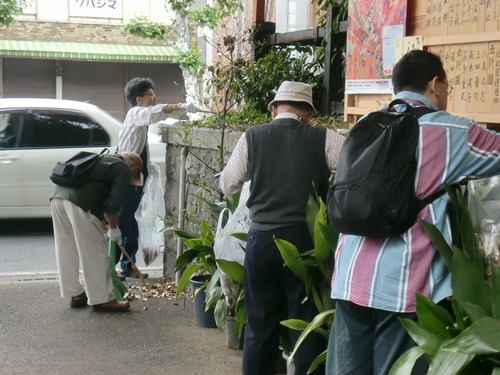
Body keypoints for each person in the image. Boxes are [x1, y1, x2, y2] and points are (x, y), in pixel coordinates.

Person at [326, 49, 500, 375]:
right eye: (447, 86)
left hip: (350, 278)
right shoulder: (452, 132)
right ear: (434, 83)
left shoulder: (365, 124)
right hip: (404, 289)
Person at [219, 81, 345, 375]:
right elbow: (352, 168)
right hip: (304, 244)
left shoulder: (253, 136)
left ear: (274, 109)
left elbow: (228, 183)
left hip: (261, 241)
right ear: (308, 113)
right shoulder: (325, 138)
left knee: (260, 326)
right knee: (306, 325)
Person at [116, 77, 197, 279]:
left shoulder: (139, 119)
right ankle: (111, 267)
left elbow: (156, 117)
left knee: (128, 222)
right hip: (125, 178)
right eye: (151, 95)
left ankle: (126, 264)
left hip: (133, 177)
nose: (154, 98)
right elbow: (155, 113)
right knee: (121, 223)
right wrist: (181, 106)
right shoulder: (135, 113)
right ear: (139, 99)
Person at [50, 152, 143, 312]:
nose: (128, 180)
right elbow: (114, 203)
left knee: (66, 247)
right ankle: (102, 299)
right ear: (132, 165)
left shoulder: (98, 159)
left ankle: (75, 294)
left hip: (58, 198)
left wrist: (100, 218)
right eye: (131, 177)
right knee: (95, 251)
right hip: (79, 202)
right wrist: (114, 228)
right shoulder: (122, 168)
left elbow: (95, 191)